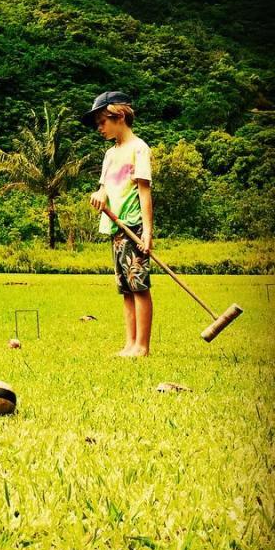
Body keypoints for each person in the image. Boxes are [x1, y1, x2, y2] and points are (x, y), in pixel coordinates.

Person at [83, 91, 154, 357]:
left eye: (103, 122)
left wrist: (147, 231)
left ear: (119, 116)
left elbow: (144, 191)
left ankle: (142, 346)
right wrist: (100, 195)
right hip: (115, 229)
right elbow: (104, 188)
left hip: (133, 226)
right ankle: (129, 344)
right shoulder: (110, 155)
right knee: (125, 287)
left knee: (139, 285)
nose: (99, 128)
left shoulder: (139, 149)